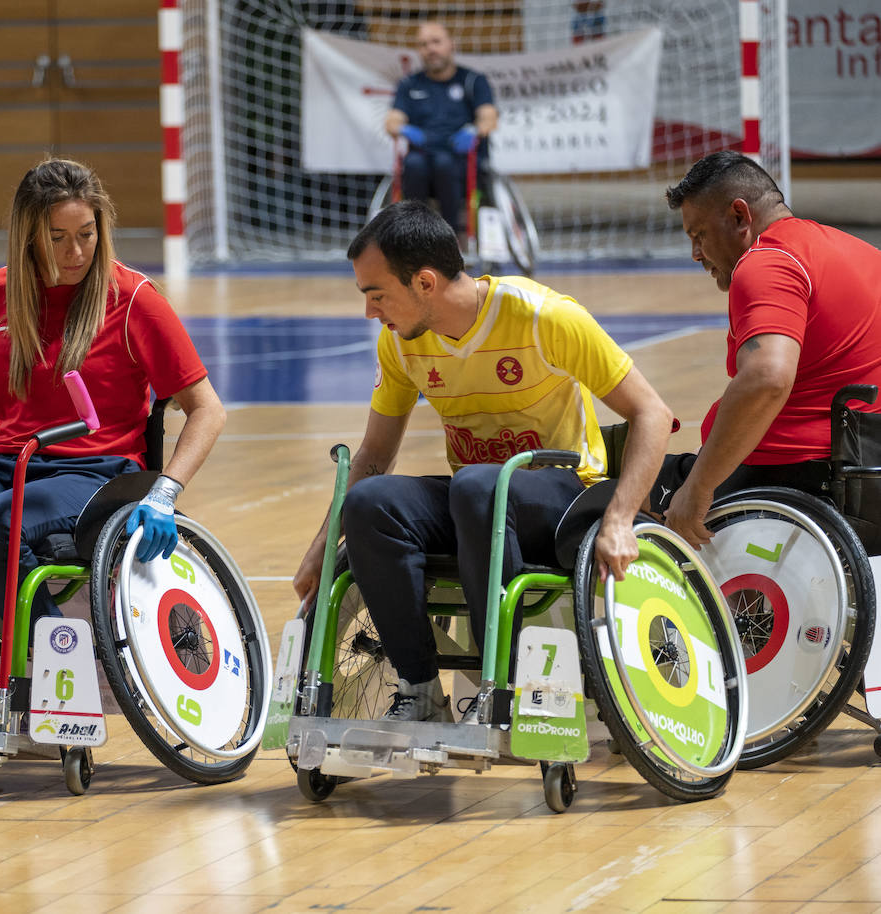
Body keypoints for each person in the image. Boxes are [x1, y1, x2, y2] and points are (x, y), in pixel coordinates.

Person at [0, 158, 226, 731]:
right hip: (7, 463)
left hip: (96, 473)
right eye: (57, 238)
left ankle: (64, 671)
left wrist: (165, 491)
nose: (76, 251)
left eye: (87, 235)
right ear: (27, 236)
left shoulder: (133, 298)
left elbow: (206, 409)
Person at [292, 200, 673, 723]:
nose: (370, 312)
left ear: (424, 283)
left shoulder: (544, 317)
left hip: (561, 500)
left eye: (376, 295)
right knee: (369, 502)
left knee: (476, 487)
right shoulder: (400, 345)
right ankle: (420, 689)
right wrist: (320, 547)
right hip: (478, 504)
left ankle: (508, 690)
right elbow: (374, 456)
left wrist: (621, 519)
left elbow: (652, 413)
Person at [657, 151, 881, 546]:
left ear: (740, 216)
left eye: (699, 236)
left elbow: (767, 377)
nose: (696, 254)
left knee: (631, 490)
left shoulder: (767, 262)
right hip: (865, 476)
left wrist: (699, 486)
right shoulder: (860, 251)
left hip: (805, 482)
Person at [384, 21, 498, 239]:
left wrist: (475, 130)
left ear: (451, 45)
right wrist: (403, 128)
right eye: (424, 44)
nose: (430, 49)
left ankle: (450, 238)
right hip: (423, 160)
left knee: (444, 164)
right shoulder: (409, 84)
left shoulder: (473, 81)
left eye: (436, 42)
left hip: (461, 161)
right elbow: (391, 122)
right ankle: (414, 237)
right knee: (413, 164)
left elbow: (489, 118)